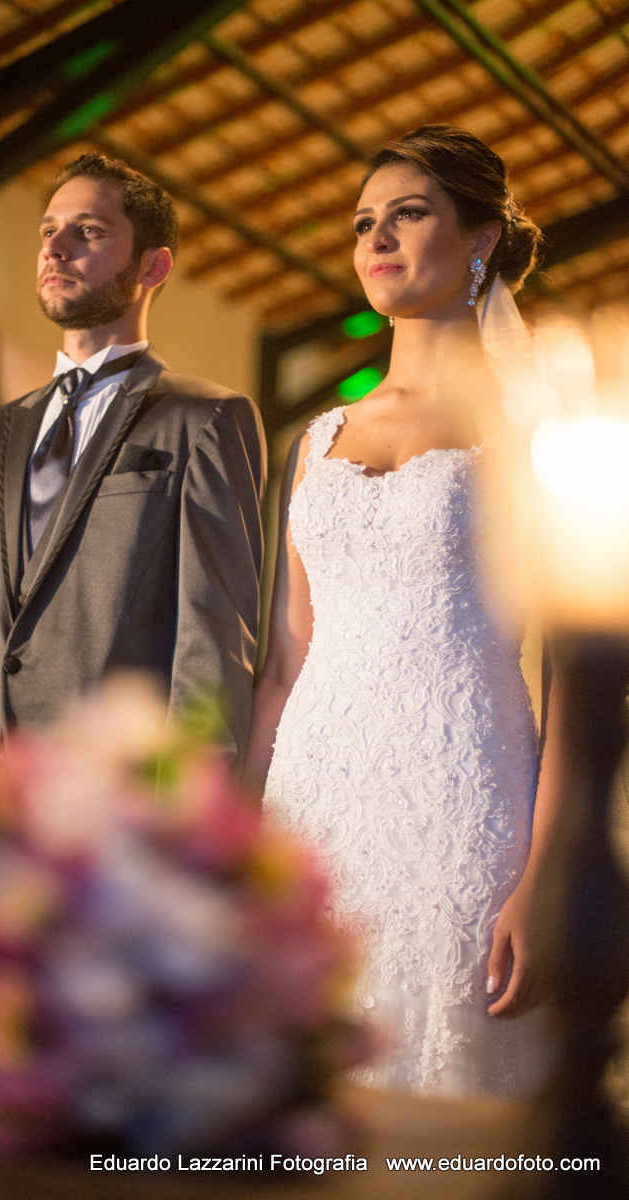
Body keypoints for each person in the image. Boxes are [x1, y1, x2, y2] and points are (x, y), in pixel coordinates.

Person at [244, 125, 560, 1097]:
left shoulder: (535, 428)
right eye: (363, 222)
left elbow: (576, 688)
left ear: (482, 239)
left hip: (462, 799)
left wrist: (547, 878)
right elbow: (293, 654)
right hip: (314, 797)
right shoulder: (320, 437)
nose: (376, 236)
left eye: (409, 212)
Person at [0, 153, 266, 819]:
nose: (55, 247)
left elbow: (211, 650)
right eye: (48, 230)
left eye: (87, 231)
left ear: (154, 267)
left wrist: (184, 836)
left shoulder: (202, 421)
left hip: (109, 819)